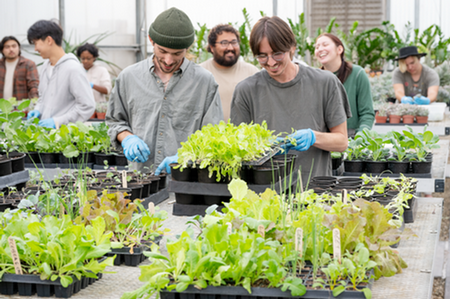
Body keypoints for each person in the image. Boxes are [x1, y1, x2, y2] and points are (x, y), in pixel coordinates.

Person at [230, 16, 350, 184]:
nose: (271, 62)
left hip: (315, 190)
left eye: (277, 54)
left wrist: (314, 137)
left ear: (292, 48)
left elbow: (341, 141)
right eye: (262, 56)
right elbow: (237, 148)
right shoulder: (246, 90)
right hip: (266, 195)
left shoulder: (325, 82)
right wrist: (262, 146)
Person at [106, 7, 223, 174]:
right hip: (141, 181)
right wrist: (127, 138)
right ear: (151, 40)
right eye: (162, 51)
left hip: (187, 183)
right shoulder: (128, 77)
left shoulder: (204, 82)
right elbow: (115, 121)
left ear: (187, 48)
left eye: (177, 53)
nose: (168, 60)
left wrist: (186, 157)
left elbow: (213, 136)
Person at [26, 20, 95, 128]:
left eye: (36, 43)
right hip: (45, 136)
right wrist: (38, 109)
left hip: (63, 139)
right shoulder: (45, 67)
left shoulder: (73, 69)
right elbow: (42, 98)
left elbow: (87, 106)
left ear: (49, 40)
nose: (35, 49)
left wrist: (58, 122)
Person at [315, 33, 374, 137]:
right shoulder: (314, 78)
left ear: (339, 49)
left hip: (352, 136)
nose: (320, 49)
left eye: (325, 45)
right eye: (317, 47)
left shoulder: (357, 74)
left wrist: (361, 135)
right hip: (323, 139)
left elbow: (367, 113)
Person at [200, 24, 258, 120]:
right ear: (211, 47)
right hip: (210, 134)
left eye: (234, 42)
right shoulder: (200, 73)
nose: (230, 48)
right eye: (224, 43)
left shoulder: (252, 72)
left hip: (244, 134)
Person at [0, 36, 39, 101]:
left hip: (20, 107)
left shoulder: (29, 64)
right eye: (7, 47)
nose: (11, 49)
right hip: (1, 107)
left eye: (14, 46)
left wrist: (35, 103)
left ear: (19, 48)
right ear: (2, 50)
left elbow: (33, 85)